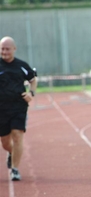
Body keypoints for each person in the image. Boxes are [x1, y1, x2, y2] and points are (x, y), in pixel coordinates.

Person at [0, 36, 37, 181]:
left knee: (17, 134)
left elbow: (33, 81)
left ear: (14, 49)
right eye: (2, 49)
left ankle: (14, 169)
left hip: (18, 107)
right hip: (1, 108)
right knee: (5, 142)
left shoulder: (22, 65)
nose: (4, 52)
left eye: (7, 49)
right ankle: (11, 153)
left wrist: (31, 93)